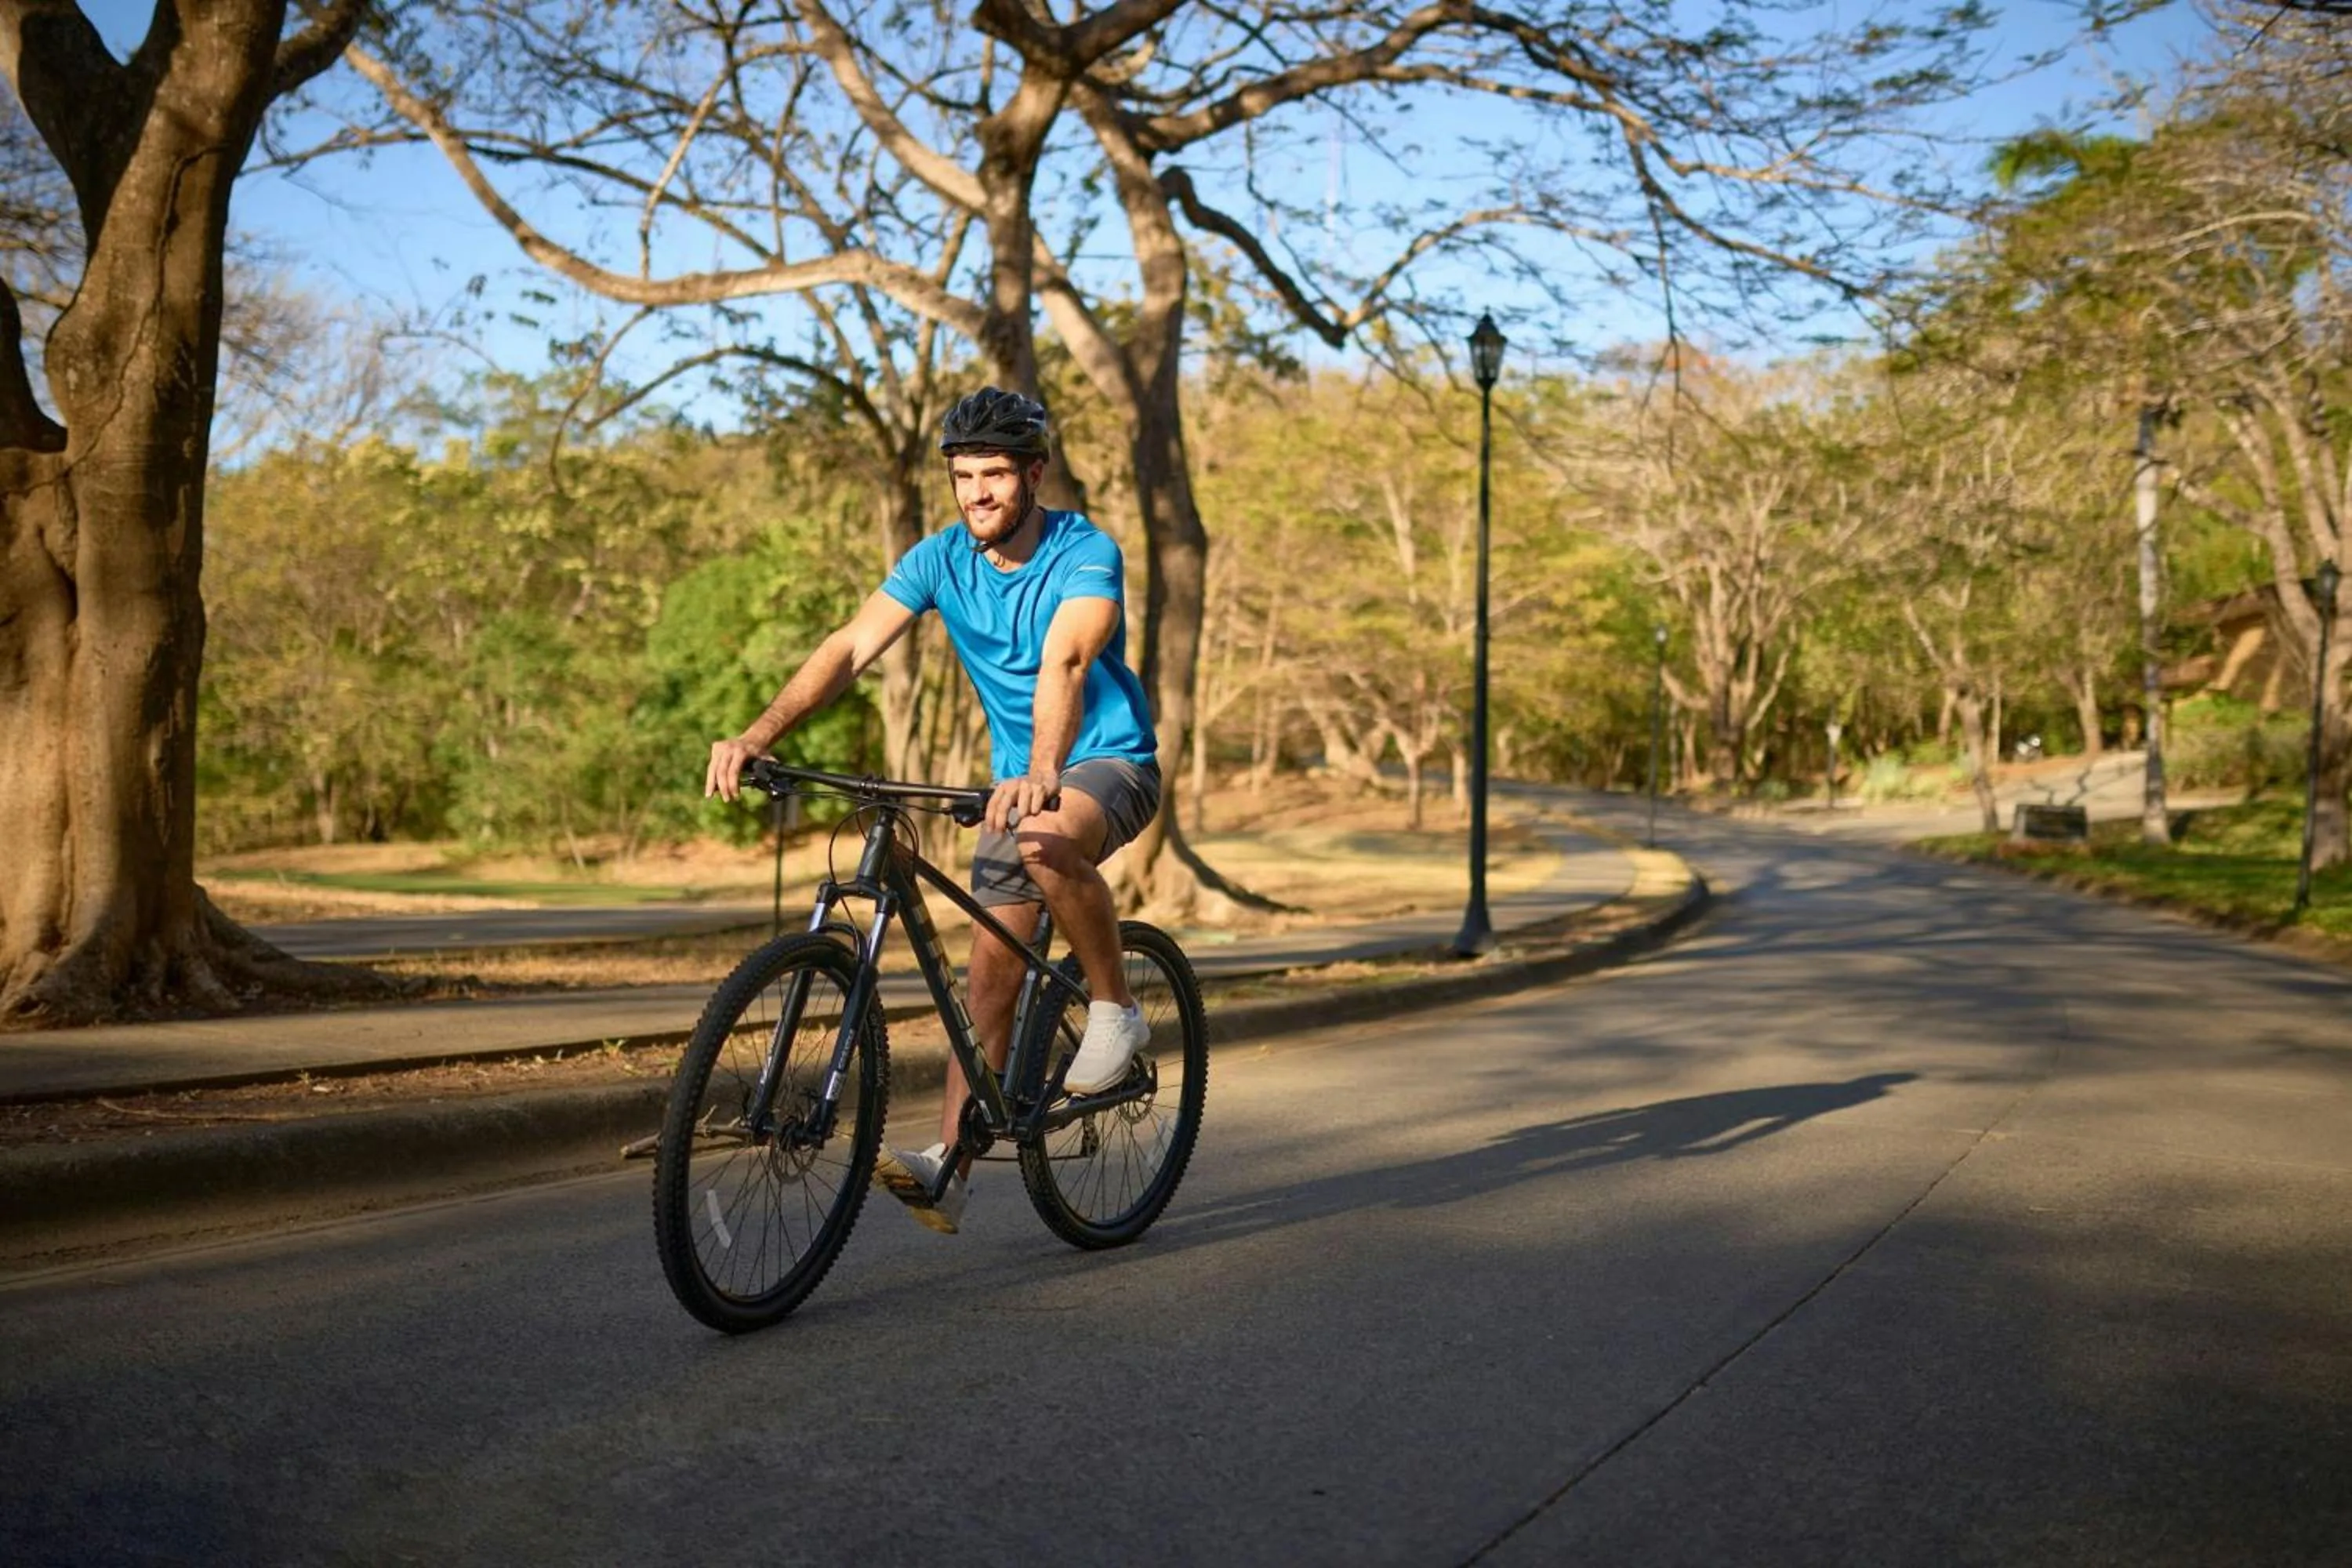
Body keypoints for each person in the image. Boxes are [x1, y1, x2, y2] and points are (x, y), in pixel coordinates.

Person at [704, 387, 1161, 1235]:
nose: (978, 492)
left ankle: (1116, 1009)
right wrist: (759, 733)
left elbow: (1064, 659)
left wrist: (1044, 769)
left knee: (1049, 834)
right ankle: (951, 1165)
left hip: (1102, 762)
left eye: (995, 473)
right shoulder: (939, 558)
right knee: (989, 972)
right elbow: (849, 644)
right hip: (1013, 783)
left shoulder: (1085, 551)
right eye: (963, 476)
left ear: (1034, 472)